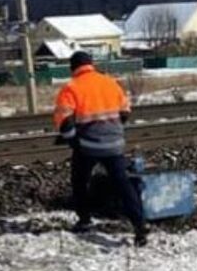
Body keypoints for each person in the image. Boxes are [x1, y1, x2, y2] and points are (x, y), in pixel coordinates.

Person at [52, 51, 149, 246]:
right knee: (123, 184)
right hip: (114, 144)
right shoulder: (109, 82)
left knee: (79, 180)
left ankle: (85, 219)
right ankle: (139, 226)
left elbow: (64, 122)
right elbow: (125, 111)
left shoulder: (71, 88)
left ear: (73, 68)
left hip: (88, 145)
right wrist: (112, 130)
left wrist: (73, 141)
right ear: (91, 65)